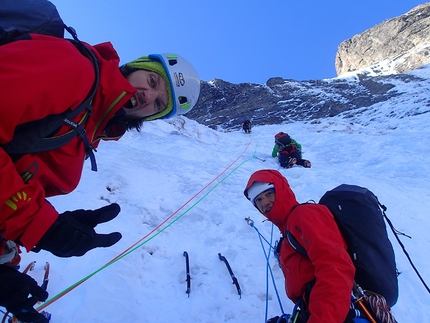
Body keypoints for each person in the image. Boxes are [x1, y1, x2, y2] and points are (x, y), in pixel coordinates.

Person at [0, 33, 200, 322]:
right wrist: (35, 222)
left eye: (158, 105)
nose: (148, 96)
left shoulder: (89, 126)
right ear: (135, 66)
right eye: (153, 81)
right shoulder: (75, 70)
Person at [244, 169, 369, 323]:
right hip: (310, 309)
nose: (265, 203)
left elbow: (335, 268)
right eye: (258, 200)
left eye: (269, 194)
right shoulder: (288, 229)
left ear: (281, 190)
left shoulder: (305, 215)